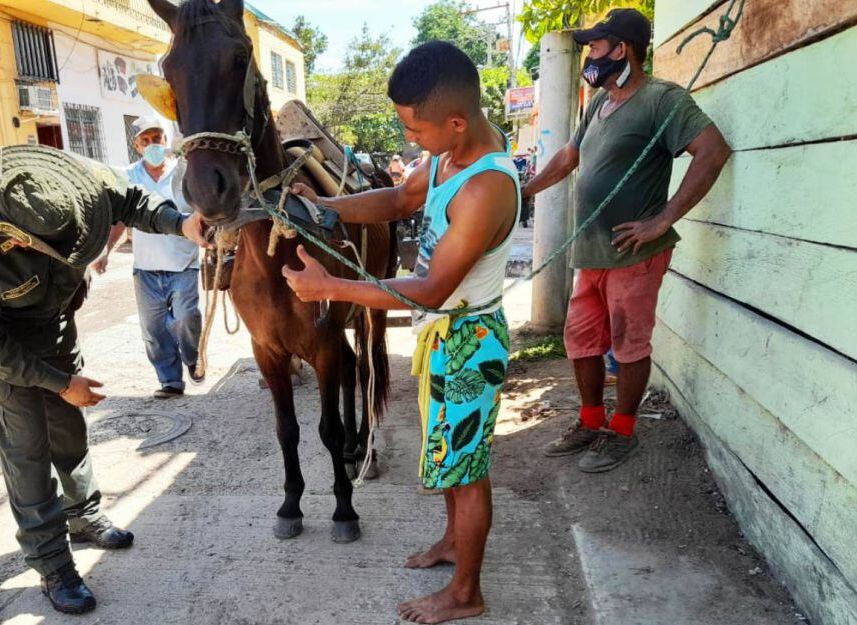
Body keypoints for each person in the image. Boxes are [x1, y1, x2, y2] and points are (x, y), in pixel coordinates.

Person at [284, 42, 518, 624]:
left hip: (468, 341)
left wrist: (330, 290)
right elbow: (396, 198)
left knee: (467, 472)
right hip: (442, 336)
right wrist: (332, 209)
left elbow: (433, 288)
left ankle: (467, 593)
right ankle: (451, 543)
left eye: (416, 129)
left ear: (456, 122)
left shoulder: (485, 187)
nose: (410, 139)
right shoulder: (446, 159)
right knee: (447, 461)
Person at [0, 146, 207, 615]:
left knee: (68, 430)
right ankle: (52, 565)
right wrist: (60, 383)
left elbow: (134, 201)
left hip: (57, 324)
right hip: (5, 347)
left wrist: (179, 223)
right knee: (28, 452)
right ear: (13, 238)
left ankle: (83, 516)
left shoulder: (76, 184)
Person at [522, 8, 731, 472]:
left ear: (622, 50)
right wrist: (524, 190)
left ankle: (622, 431)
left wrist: (662, 220)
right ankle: (591, 422)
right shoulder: (599, 103)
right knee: (581, 341)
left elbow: (713, 152)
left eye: (596, 46)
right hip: (591, 252)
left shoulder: (663, 100)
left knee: (629, 344)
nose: (590, 56)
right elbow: (570, 156)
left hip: (633, 254)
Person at [95, 117, 203, 399]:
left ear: (166, 141)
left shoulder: (184, 173)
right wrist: (106, 251)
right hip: (146, 269)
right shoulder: (129, 177)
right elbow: (120, 219)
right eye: (146, 141)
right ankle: (170, 381)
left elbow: (202, 210)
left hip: (184, 265)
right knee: (155, 331)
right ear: (137, 146)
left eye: (157, 138)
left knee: (186, 317)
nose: (153, 144)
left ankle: (192, 357)